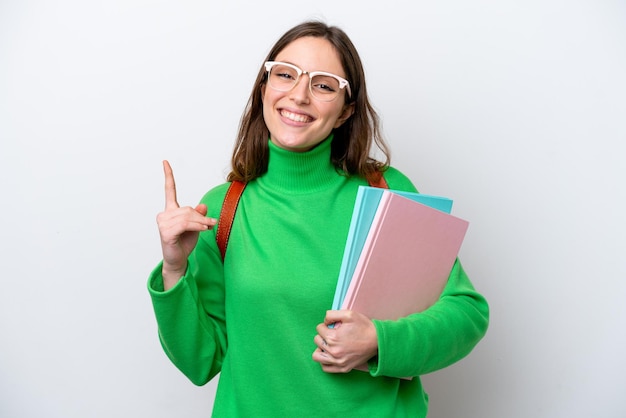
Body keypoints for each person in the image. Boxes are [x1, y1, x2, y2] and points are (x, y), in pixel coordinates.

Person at [148, 20, 489, 417]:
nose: (299, 95)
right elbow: (201, 361)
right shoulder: (223, 207)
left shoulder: (387, 192)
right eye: (285, 75)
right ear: (264, 89)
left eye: (324, 84)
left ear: (346, 111)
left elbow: (466, 313)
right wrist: (174, 269)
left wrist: (380, 340)